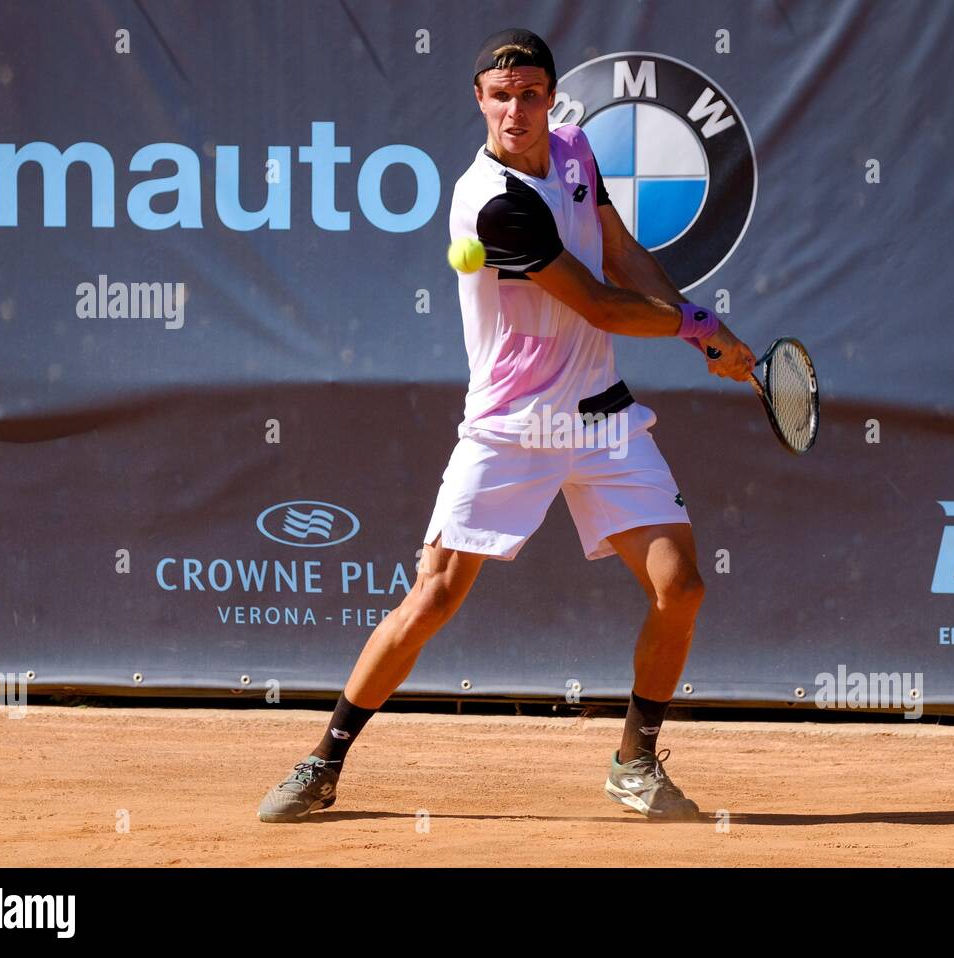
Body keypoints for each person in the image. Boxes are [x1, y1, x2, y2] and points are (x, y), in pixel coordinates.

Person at [259, 27, 756, 824]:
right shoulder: (493, 203)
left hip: (603, 419)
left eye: (530, 95)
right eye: (501, 97)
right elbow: (595, 302)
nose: (516, 111)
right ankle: (324, 759)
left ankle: (634, 761)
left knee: (682, 586)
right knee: (434, 598)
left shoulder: (575, 150)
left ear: (551, 99)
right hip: (511, 427)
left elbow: (620, 254)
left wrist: (697, 317)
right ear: (479, 102)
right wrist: (699, 332)